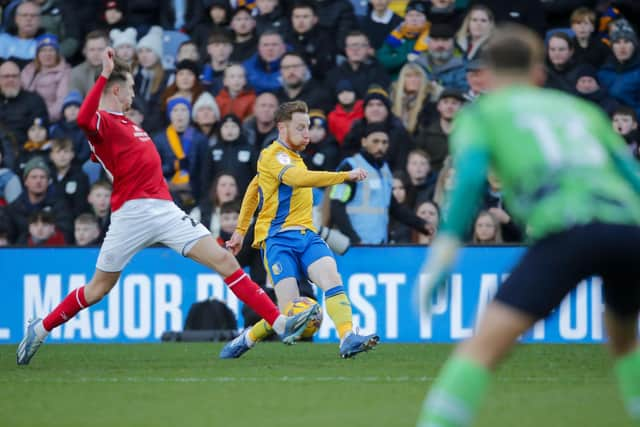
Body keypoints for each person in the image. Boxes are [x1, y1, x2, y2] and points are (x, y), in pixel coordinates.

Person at [16, 49, 319, 366]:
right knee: (97, 289)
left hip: (164, 209)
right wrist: (104, 73)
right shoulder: (101, 122)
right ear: (116, 89)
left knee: (225, 261)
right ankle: (41, 328)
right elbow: (82, 119)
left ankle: (280, 323)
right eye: (131, 87)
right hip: (131, 214)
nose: (134, 93)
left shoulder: (125, 123)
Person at [417, 24, 640, 427]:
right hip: (628, 228)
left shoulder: (483, 113)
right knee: (625, 341)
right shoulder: (580, 110)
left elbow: (467, 180)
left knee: (479, 350)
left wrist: (443, 253)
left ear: (484, 77)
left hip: (567, 229)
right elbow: (631, 175)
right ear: (539, 73)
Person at [219, 100, 379, 359]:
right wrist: (343, 176)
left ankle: (347, 337)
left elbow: (252, 189)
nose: (308, 134)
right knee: (289, 313)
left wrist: (239, 230)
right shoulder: (273, 156)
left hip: (306, 236)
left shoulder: (293, 158)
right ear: (282, 128)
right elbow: (297, 179)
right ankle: (248, 338)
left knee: (332, 279)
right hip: (278, 241)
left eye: (308, 128)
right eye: (301, 127)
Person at [330, 124, 432, 245]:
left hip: (379, 243)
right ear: (364, 142)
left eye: (385, 142)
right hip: (355, 245)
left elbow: (394, 207)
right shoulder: (350, 167)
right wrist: (354, 239)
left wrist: (422, 225)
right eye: (376, 141)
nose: (380, 146)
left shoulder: (385, 170)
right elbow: (336, 206)